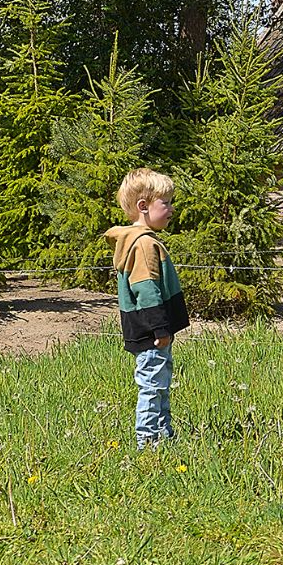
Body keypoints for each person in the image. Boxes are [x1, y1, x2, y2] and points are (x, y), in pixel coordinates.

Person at [104, 168, 189, 449]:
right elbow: (146, 290)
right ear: (143, 206)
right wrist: (160, 328)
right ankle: (147, 441)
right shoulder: (143, 245)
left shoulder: (143, 241)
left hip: (151, 330)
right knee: (152, 386)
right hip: (151, 331)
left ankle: (164, 437)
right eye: (165, 203)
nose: (172, 209)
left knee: (160, 384)